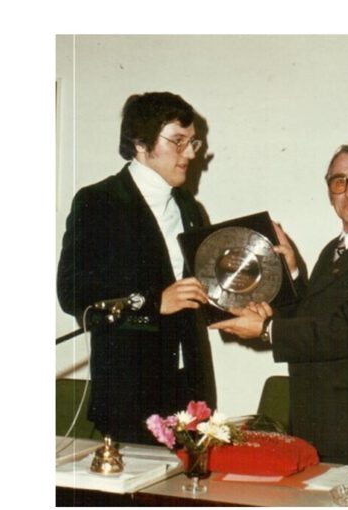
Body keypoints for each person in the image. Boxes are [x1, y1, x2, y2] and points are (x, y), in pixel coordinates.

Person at [211, 142, 348, 469]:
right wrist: (291, 275)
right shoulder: (334, 250)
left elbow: (347, 331)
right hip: (317, 428)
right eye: (339, 182)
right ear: (330, 194)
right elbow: (317, 317)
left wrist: (268, 329)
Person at [57, 92, 214, 444]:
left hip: (188, 392)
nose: (191, 153)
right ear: (141, 143)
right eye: (178, 141)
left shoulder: (190, 208)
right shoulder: (97, 201)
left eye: (193, 142)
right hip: (127, 394)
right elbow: (72, 293)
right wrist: (154, 302)